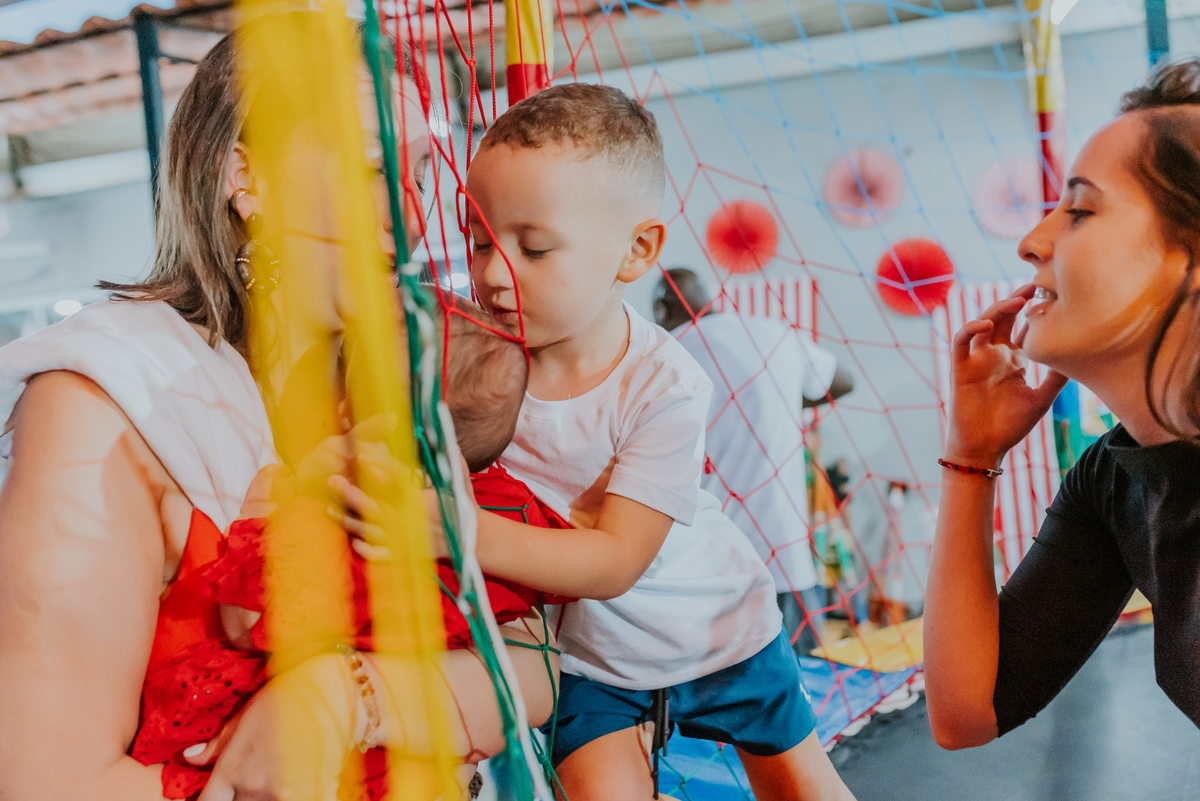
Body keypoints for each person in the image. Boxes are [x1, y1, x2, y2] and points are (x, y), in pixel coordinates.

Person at [0, 14, 555, 800]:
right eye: (371, 167)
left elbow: (539, 660)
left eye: (423, 175)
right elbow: (45, 782)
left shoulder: (425, 382)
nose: (409, 211)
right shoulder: (104, 404)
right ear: (246, 177)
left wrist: (348, 697)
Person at [463, 83, 856, 800]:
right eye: (479, 239)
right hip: (592, 658)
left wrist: (458, 531)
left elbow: (615, 560)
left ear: (636, 251)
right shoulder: (473, 365)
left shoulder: (663, 381)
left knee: (805, 787)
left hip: (718, 630)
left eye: (533, 246)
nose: (492, 271)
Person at [131, 297, 569, 798]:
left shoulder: (346, 514)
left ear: (348, 411)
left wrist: (267, 509)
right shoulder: (507, 511)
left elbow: (246, 622)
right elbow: (536, 651)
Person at [925, 59, 1200, 750]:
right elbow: (968, 710)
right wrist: (970, 457)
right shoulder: (1112, 481)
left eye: (1079, 210)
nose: (1032, 241)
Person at [654, 267, 854, 656]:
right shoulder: (770, 332)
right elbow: (844, 381)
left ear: (662, 309)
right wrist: (779, 401)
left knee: (717, 693)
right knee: (804, 686)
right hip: (785, 553)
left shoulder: (668, 349)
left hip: (705, 563)